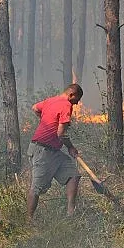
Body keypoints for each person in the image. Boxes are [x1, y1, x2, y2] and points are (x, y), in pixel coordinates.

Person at [27, 83, 84, 219]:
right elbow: (61, 134)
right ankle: (28, 221)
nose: (75, 104)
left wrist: (46, 120)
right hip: (43, 151)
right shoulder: (66, 105)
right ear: (71, 95)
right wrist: (70, 147)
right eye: (76, 100)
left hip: (54, 152)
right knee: (36, 188)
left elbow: (35, 108)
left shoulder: (50, 101)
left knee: (73, 175)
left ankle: (71, 214)